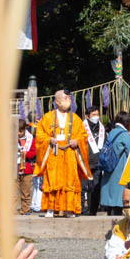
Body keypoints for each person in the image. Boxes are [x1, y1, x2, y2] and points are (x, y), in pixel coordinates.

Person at [34, 89, 91, 217]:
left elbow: (83, 136)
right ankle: (50, 209)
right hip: (54, 155)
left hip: (70, 154)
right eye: (66, 98)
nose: (68, 101)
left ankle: (69, 209)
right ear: (57, 101)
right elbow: (39, 135)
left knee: (70, 181)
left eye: (69, 99)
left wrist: (77, 141)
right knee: (52, 181)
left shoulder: (75, 118)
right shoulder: (47, 117)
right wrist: (49, 139)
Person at [99, 111, 130, 215]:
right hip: (119, 171)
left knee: (110, 201)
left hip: (108, 169)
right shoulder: (125, 135)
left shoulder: (111, 132)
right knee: (118, 202)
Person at [81, 108, 105, 215]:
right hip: (84, 162)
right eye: (93, 114)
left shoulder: (102, 128)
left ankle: (93, 210)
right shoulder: (82, 127)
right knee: (82, 188)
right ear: (87, 116)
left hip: (97, 162)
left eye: (97, 114)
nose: (96, 116)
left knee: (95, 188)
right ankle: (81, 209)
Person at [16, 120, 36, 214]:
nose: (18, 133)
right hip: (14, 168)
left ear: (25, 129)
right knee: (13, 192)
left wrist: (25, 153)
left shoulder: (30, 138)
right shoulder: (11, 138)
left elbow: (33, 153)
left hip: (26, 168)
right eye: (17, 131)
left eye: (20, 131)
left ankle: (25, 209)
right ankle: (12, 210)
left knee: (26, 191)